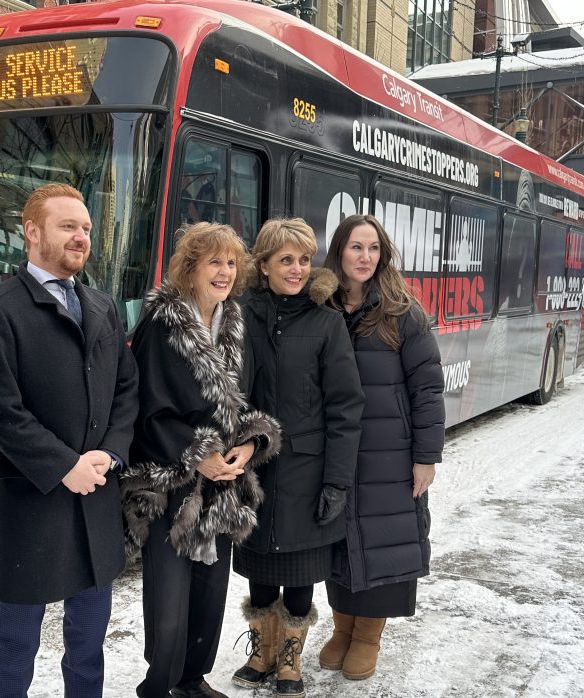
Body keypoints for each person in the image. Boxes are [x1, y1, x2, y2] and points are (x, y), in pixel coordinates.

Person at [0, 183, 139, 698]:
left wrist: (109, 453)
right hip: (32, 501)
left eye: (86, 228)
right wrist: (65, 464)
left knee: (88, 641)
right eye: (69, 226)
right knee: (17, 642)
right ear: (32, 231)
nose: (81, 237)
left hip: (96, 498)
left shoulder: (103, 306)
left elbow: (127, 389)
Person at [121, 222, 281, 698]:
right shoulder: (161, 322)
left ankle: (191, 680)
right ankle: (159, 686)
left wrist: (251, 445)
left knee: (209, 598)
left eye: (232, 262)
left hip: (224, 487)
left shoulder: (235, 321)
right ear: (189, 269)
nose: (225, 272)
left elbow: (253, 401)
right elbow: (146, 408)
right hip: (173, 485)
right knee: (169, 603)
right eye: (214, 261)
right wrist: (198, 456)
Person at [231, 218, 364, 698]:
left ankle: (290, 659)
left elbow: (346, 408)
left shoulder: (326, 323)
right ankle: (263, 651)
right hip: (253, 467)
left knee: (300, 572)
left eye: (305, 260)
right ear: (263, 265)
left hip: (308, 469)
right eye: (286, 259)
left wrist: (337, 482)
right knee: (259, 566)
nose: (297, 269)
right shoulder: (239, 313)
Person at [320, 214, 445, 681]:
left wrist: (426, 456)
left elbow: (428, 389)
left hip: (389, 452)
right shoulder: (322, 305)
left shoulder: (402, 311)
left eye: (373, 248)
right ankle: (342, 628)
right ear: (339, 251)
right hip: (337, 451)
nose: (365, 257)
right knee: (337, 541)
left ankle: (368, 635)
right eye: (356, 247)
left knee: (384, 541)